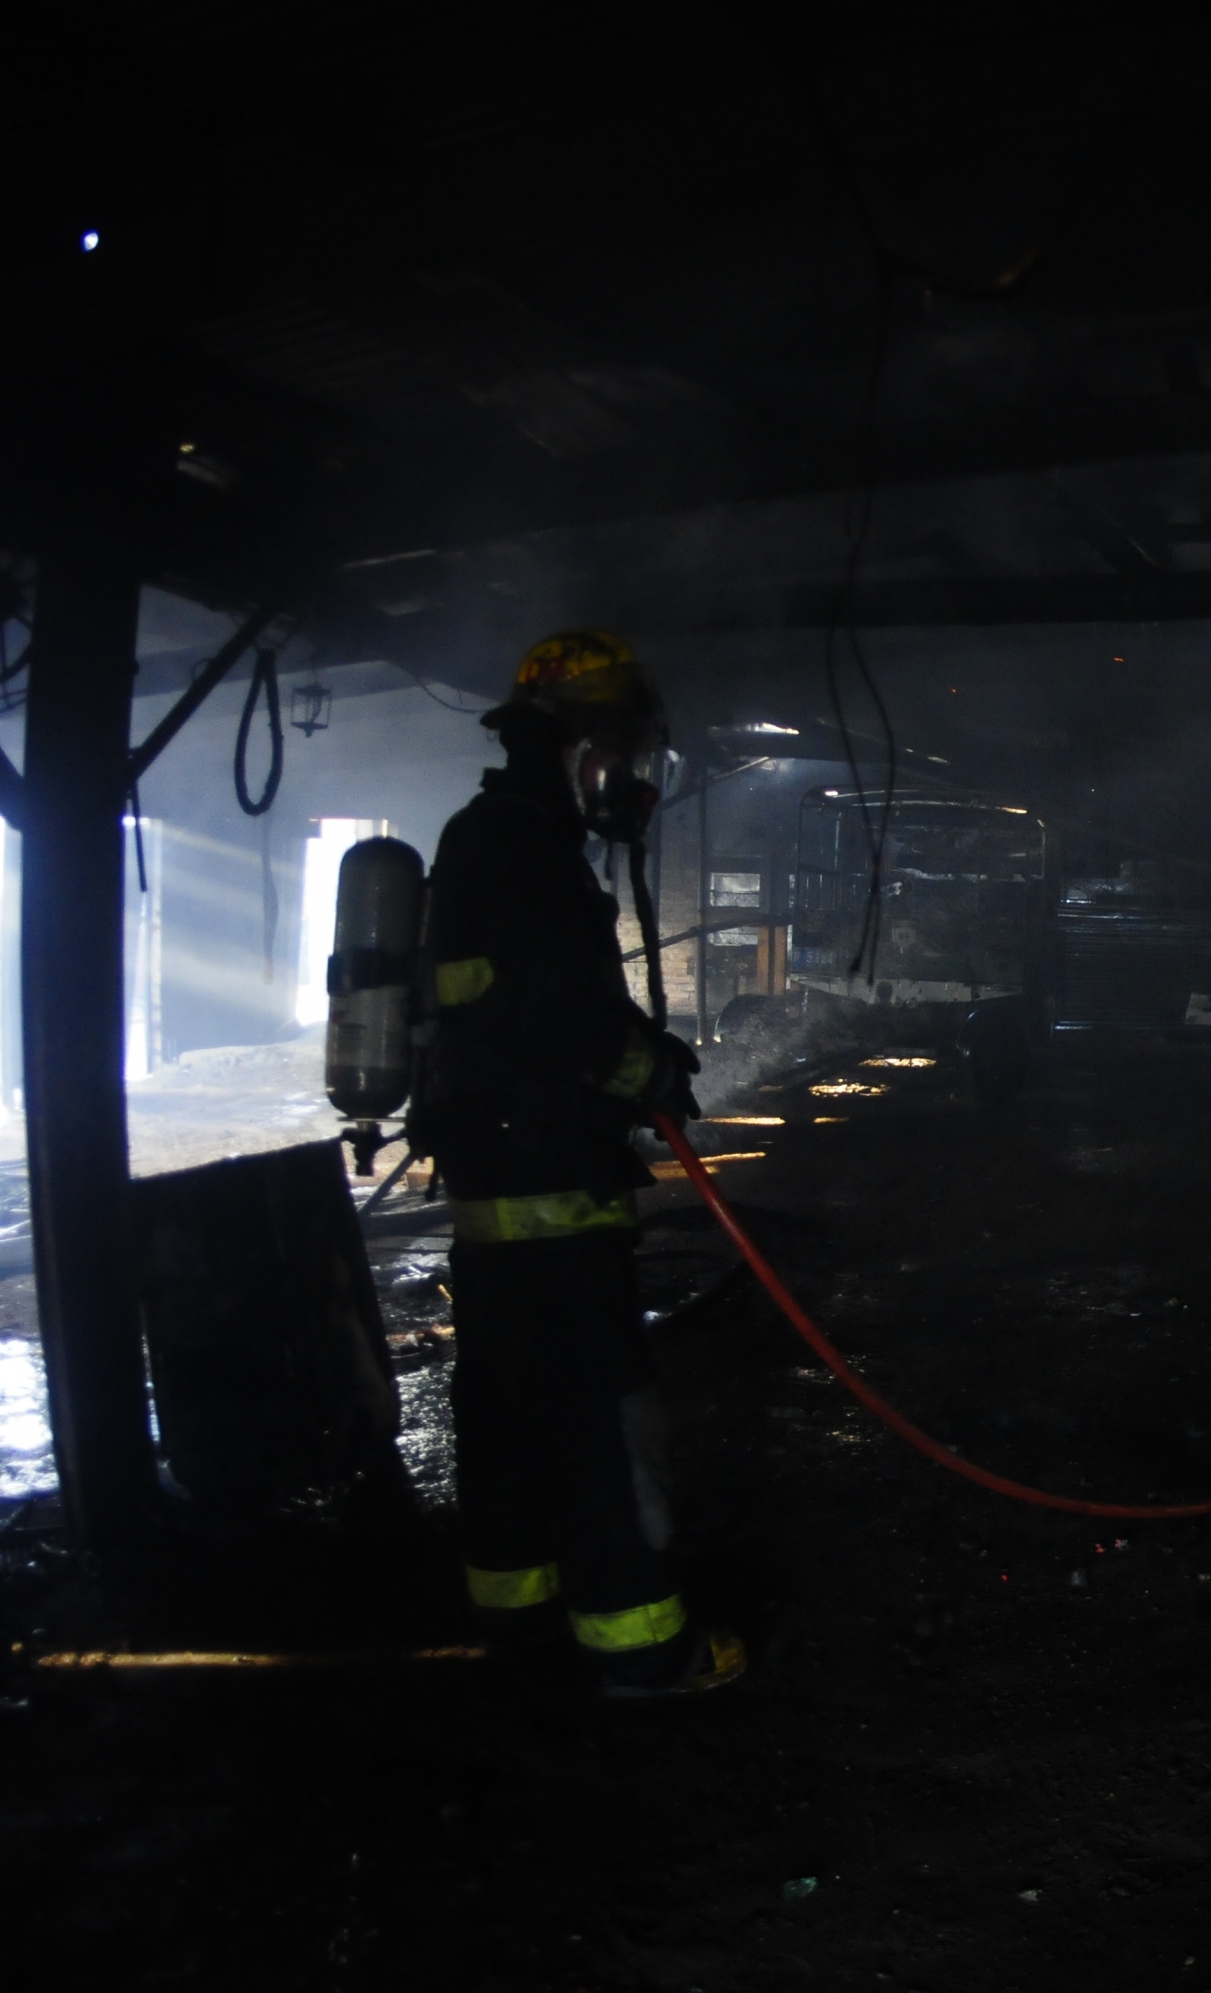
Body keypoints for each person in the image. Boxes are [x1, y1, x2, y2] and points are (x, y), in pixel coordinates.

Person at [415, 629, 743, 1697]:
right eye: (632, 758)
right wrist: (653, 1068)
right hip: (554, 1194)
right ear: (584, 746)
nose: (638, 785)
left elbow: (511, 1008)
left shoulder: (489, 837)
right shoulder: (527, 853)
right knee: (603, 1425)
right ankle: (646, 1650)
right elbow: (562, 1019)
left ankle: (517, 1617)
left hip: (500, 1203)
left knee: (509, 1420)